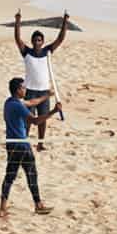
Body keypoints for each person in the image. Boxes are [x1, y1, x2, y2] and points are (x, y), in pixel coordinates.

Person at [0, 76, 62, 218]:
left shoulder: (9, 103)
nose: (25, 89)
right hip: (21, 144)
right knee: (31, 174)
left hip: (11, 144)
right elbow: (35, 121)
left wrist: (46, 95)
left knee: (10, 176)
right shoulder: (18, 106)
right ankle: (38, 205)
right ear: (18, 90)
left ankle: (2, 208)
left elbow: (32, 102)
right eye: (23, 87)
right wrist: (53, 112)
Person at [12, 10, 68, 149]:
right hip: (30, 91)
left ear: (42, 42)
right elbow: (17, 39)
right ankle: (23, 142)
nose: (37, 42)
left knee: (43, 119)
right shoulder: (27, 52)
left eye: (39, 40)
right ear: (32, 41)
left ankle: (40, 144)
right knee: (28, 119)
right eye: (35, 40)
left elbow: (60, 39)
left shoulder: (47, 52)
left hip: (44, 92)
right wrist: (18, 21)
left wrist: (65, 21)